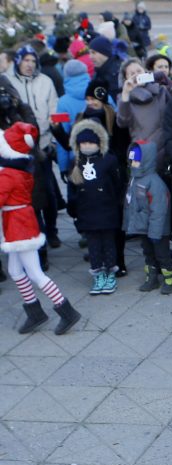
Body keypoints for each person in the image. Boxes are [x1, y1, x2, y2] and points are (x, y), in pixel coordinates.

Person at [2, 123, 81, 334]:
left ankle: (67, 311)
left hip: (20, 227)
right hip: (19, 224)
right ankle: (34, 312)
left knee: (35, 273)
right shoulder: (20, 168)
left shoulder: (9, 174)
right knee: (15, 270)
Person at [5, 46, 60, 249]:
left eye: (32, 61)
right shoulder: (8, 81)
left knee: (48, 191)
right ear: (18, 61)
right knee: (29, 195)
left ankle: (52, 230)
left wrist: (52, 126)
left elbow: (53, 107)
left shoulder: (45, 81)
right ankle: (39, 234)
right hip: (18, 147)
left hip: (42, 144)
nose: (29, 65)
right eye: (25, 60)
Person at [68, 120, 122, 295]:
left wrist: (117, 205)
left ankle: (110, 272)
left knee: (108, 244)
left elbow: (117, 185)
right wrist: (73, 209)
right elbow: (72, 189)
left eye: (91, 142)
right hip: (87, 213)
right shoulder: (76, 163)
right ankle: (97, 273)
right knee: (93, 246)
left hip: (107, 211)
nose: (87, 146)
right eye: (83, 143)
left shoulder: (109, 160)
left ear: (99, 143)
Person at [124, 141, 172, 294]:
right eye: (132, 160)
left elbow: (159, 211)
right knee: (148, 254)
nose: (133, 163)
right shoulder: (134, 178)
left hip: (157, 230)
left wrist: (155, 232)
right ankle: (151, 277)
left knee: (162, 255)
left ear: (146, 160)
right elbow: (131, 204)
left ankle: (169, 279)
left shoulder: (154, 183)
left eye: (137, 160)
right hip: (143, 227)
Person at [117, 59, 172, 168]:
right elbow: (123, 122)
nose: (137, 75)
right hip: (144, 151)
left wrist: (169, 82)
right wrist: (126, 93)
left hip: (167, 147)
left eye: (139, 70)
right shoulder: (124, 97)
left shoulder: (161, 90)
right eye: (132, 74)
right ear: (126, 78)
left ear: (146, 72)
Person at [88, 36, 121, 100]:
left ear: (104, 53)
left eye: (93, 53)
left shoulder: (118, 71)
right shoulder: (98, 72)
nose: (90, 56)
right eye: (89, 53)